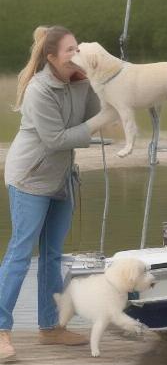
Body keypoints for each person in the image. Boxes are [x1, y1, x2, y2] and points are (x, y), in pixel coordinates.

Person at [0, 26, 101, 361]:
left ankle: (50, 327)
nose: (77, 53)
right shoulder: (38, 90)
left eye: (79, 48)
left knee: (53, 255)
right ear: (52, 57)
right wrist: (98, 125)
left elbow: (96, 113)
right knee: (20, 252)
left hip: (61, 179)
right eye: (70, 50)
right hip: (29, 177)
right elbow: (56, 139)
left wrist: (99, 78)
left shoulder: (80, 81)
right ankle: (1, 330)